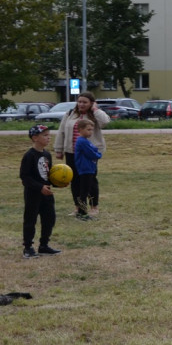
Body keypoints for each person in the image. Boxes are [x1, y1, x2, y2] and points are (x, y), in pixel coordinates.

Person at [54, 92, 109, 217]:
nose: (81, 104)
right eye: (79, 102)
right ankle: (78, 207)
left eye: (85, 102)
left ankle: (94, 206)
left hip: (88, 154)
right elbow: (61, 131)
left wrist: (95, 109)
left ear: (91, 103)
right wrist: (59, 148)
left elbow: (105, 122)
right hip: (72, 153)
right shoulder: (70, 114)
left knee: (90, 180)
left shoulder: (95, 115)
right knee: (75, 180)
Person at [20, 125, 61, 259]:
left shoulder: (47, 154)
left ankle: (44, 245)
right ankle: (28, 248)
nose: (48, 137)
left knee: (49, 218)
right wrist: (39, 187)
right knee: (30, 220)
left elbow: (49, 174)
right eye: (45, 135)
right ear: (35, 138)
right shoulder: (29, 155)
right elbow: (25, 177)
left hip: (47, 193)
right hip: (33, 193)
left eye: (49, 135)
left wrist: (58, 182)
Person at [73, 118, 103, 221]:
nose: (90, 132)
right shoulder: (82, 141)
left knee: (86, 191)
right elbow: (92, 153)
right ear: (80, 129)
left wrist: (96, 152)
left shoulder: (85, 141)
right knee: (84, 193)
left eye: (91, 130)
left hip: (89, 169)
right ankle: (82, 213)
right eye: (88, 129)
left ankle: (83, 213)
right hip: (85, 170)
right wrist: (98, 154)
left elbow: (93, 150)